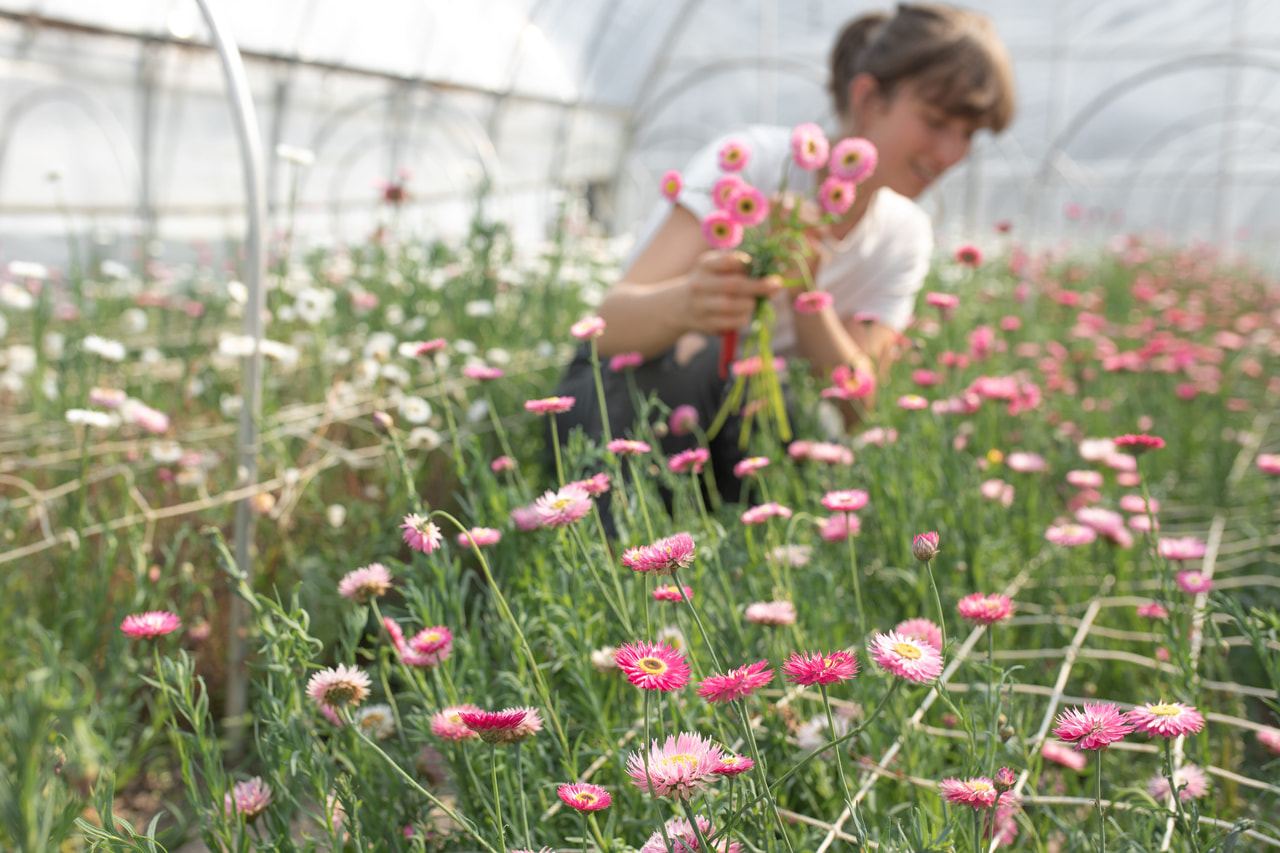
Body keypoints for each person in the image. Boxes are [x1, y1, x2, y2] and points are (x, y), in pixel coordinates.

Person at [552, 3, 1015, 501]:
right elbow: (607, 328)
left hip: (748, 410)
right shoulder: (754, 165)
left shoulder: (904, 233)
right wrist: (688, 302)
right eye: (936, 121)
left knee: (818, 438)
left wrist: (806, 292)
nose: (950, 154)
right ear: (868, 97)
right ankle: (626, 551)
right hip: (627, 396)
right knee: (702, 359)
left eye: (968, 134)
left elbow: (857, 404)